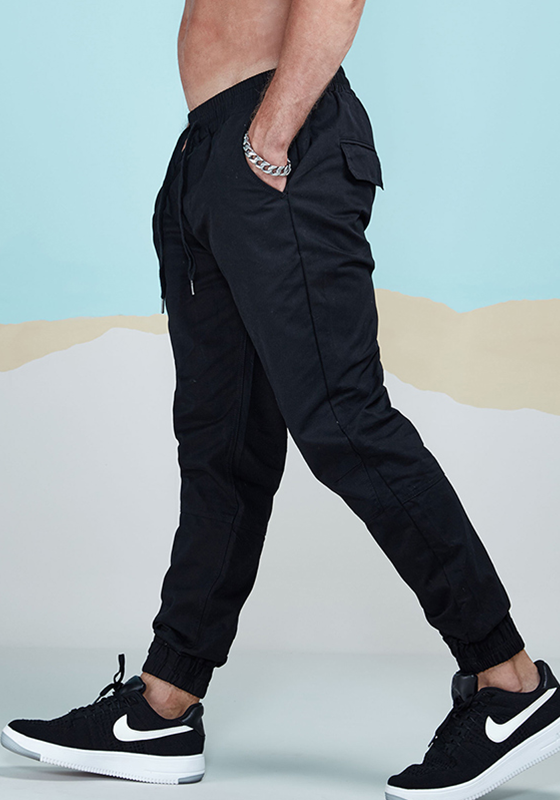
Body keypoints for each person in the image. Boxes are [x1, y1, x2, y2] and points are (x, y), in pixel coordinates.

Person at [2, 1, 560, 796]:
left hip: (277, 140)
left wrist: (271, 131)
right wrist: (226, 152)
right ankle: (163, 708)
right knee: (222, 449)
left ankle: (509, 682)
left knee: (345, 422)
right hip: (210, 150)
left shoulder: (273, 132)